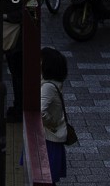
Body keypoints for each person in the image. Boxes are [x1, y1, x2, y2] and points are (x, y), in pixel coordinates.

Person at [38, 47, 73, 182]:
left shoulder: (48, 87)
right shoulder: (54, 84)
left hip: (49, 138)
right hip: (52, 139)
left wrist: (50, 122)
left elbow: (41, 112)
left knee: (46, 178)